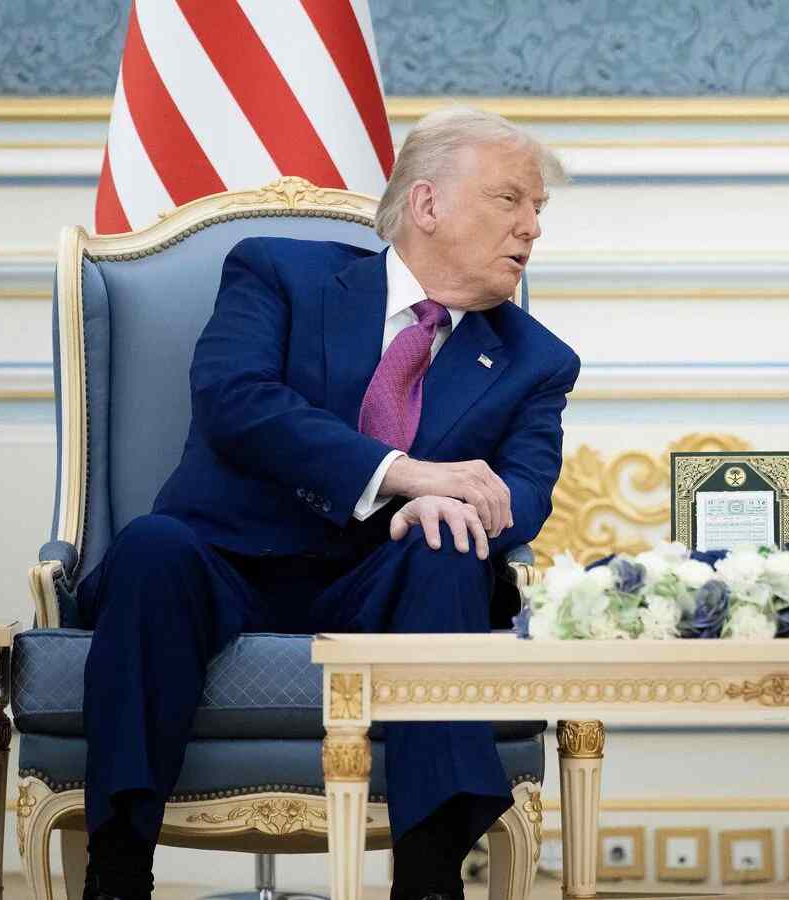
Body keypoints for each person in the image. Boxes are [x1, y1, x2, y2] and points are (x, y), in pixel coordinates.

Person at [75, 106, 580, 900]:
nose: (532, 229)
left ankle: (429, 877)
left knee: (450, 545)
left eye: (538, 209)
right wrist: (401, 475)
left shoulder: (535, 359)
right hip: (225, 560)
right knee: (150, 548)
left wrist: (452, 507)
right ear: (427, 205)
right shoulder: (281, 272)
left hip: (385, 584)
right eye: (511, 200)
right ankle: (116, 870)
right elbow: (234, 401)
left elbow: (521, 495)